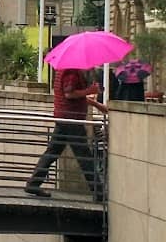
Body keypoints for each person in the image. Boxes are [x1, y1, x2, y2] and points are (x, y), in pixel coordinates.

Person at [25, 66, 106, 201]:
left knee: (52, 152)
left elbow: (72, 95)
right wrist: (89, 90)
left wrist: (96, 104)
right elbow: (69, 94)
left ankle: (33, 183)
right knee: (84, 155)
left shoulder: (64, 70)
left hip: (64, 117)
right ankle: (99, 192)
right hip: (71, 119)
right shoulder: (71, 72)